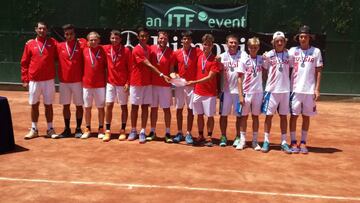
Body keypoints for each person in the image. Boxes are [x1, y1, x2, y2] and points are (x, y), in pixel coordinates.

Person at [129, 27, 170, 143]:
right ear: (138, 37)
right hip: (136, 83)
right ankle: (133, 130)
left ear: (148, 37)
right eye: (141, 36)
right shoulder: (136, 50)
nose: (143, 38)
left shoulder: (149, 49)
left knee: (145, 107)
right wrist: (162, 74)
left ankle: (142, 131)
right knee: (135, 107)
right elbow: (148, 64)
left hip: (148, 83)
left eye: (145, 36)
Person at [288, 25, 323, 154]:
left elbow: (319, 70)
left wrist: (317, 89)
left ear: (309, 38)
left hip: (309, 90)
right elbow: (281, 58)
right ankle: (293, 142)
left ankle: (303, 142)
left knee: (306, 116)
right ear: (298, 38)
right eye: (301, 36)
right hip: (295, 89)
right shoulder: (292, 51)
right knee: (294, 116)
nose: (303, 39)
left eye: (305, 36)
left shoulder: (316, 52)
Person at [21, 21, 58, 139]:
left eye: (44, 29)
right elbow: (24, 62)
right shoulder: (30, 44)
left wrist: (81, 42)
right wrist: (25, 79)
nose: (42, 31)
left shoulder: (53, 43)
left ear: (47, 30)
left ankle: (50, 129)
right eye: (40, 28)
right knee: (34, 105)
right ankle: (34, 129)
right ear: (36, 29)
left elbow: (64, 48)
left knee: (48, 105)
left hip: (48, 80)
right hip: (34, 80)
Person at [53, 24, 87, 139]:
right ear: (64, 35)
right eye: (67, 34)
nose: (69, 36)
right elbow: (47, 43)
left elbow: (93, 43)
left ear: (75, 34)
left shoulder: (82, 44)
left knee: (79, 106)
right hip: (64, 82)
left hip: (78, 81)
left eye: (71, 34)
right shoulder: (59, 46)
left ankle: (78, 129)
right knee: (66, 106)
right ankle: (67, 129)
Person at [261, 31, 292, 153]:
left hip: (285, 91)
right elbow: (264, 71)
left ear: (285, 42)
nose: (279, 43)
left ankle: (284, 142)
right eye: (277, 41)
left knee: (284, 116)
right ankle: (266, 141)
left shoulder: (290, 55)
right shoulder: (268, 55)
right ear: (273, 42)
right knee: (268, 117)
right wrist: (268, 84)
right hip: (272, 91)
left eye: (282, 40)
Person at [187, 34, 220, 147]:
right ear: (202, 45)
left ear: (212, 46)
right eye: (205, 44)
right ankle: (201, 135)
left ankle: (209, 136)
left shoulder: (214, 60)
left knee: (209, 116)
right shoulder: (199, 56)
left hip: (210, 93)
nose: (207, 47)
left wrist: (194, 82)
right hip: (198, 92)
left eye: (209, 45)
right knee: (199, 115)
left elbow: (210, 77)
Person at [172, 31, 201, 144]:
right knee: (179, 109)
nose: (186, 41)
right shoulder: (176, 53)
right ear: (181, 40)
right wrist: (174, 75)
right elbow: (172, 69)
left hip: (192, 85)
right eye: (184, 39)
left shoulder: (197, 51)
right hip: (180, 85)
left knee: (190, 110)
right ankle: (179, 132)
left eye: (188, 39)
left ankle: (188, 133)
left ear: (191, 41)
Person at [102, 30, 131, 142]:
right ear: (110, 38)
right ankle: (108, 130)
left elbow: (130, 68)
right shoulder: (106, 49)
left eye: (117, 38)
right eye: (113, 38)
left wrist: (128, 82)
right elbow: (93, 43)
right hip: (110, 83)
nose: (114, 40)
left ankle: (122, 130)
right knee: (109, 105)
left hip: (122, 84)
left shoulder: (126, 51)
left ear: (120, 39)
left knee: (123, 106)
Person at [218, 34, 246, 147]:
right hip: (226, 92)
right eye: (231, 42)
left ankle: (238, 136)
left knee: (239, 116)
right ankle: (223, 136)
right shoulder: (222, 57)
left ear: (238, 44)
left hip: (238, 92)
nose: (233, 44)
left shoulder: (243, 55)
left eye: (235, 42)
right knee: (223, 115)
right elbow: (218, 72)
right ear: (226, 44)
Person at [237, 37, 264, 150]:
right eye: (251, 47)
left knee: (255, 117)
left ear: (258, 48)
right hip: (247, 92)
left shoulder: (262, 59)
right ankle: (242, 141)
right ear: (248, 48)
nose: (253, 49)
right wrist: (240, 95)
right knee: (244, 117)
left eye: (255, 47)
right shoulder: (243, 60)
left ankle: (254, 141)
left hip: (258, 92)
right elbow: (239, 78)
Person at [147, 31, 174, 143]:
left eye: (165, 38)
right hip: (153, 85)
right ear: (157, 39)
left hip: (165, 86)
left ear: (167, 40)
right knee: (153, 108)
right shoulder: (151, 49)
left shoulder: (171, 53)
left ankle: (167, 133)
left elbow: (172, 70)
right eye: (161, 38)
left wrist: (173, 77)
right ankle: (152, 131)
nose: (163, 40)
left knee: (166, 109)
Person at [80, 31, 107, 139]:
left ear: (99, 40)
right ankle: (87, 128)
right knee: (87, 108)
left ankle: (101, 129)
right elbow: (79, 42)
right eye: (91, 40)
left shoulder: (103, 50)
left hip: (100, 85)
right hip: (87, 85)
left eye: (95, 39)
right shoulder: (84, 50)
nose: (93, 41)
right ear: (88, 42)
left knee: (100, 108)